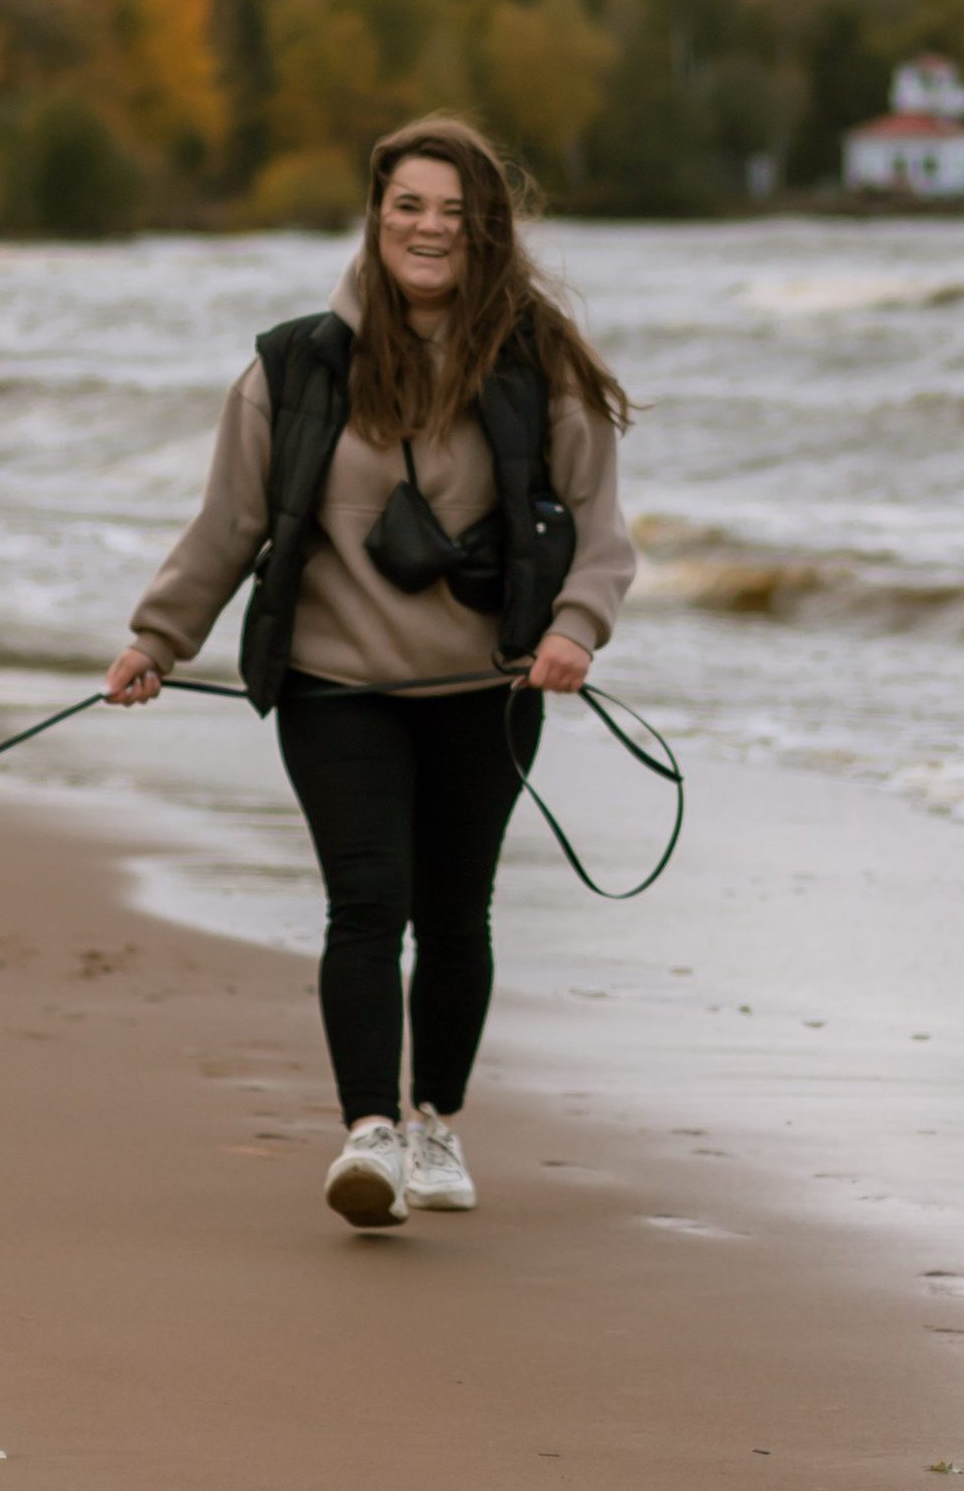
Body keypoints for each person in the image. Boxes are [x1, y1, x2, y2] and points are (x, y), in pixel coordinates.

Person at [105, 114, 635, 1231]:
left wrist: (576, 629)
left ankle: (434, 1123)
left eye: (454, 211)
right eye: (409, 206)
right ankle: (368, 1136)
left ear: (485, 228)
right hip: (333, 683)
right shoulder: (296, 363)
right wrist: (157, 639)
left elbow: (600, 525)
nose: (429, 229)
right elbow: (229, 523)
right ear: (376, 215)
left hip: (487, 689)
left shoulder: (538, 361)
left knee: (455, 916)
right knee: (366, 902)